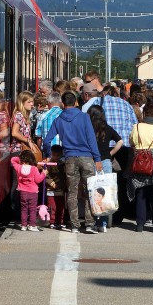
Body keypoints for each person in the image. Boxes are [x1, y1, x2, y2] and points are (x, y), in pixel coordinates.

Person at [41, 91, 102, 234]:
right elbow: (91, 139)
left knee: (72, 192)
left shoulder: (59, 119)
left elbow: (46, 140)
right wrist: (97, 158)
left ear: (63, 103)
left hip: (69, 158)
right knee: (89, 191)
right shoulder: (84, 117)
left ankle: (74, 225)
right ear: (75, 102)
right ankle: (89, 223)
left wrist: (49, 154)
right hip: (87, 157)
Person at [128, 102, 153, 233]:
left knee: (140, 192)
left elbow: (131, 143)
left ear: (144, 113)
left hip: (139, 161)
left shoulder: (137, 127)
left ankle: (140, 224)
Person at [86, 104, 123, 233]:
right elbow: (120, 141)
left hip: (91, 160)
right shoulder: (106, 128)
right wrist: (111, 153)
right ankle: (104, 222)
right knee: (104, 191)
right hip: (106, 161)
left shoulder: (88, 128)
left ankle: (94, 221)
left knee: (93, 191)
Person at [10, 154, 47, 231]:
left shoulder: (19, 168)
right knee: (32, 209)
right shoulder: (34, 169)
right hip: (33, 193)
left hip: (23, 192)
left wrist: (20, 159)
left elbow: (13, 159)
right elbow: (38, 180)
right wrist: (44, 173)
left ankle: (23, 225)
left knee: (24, 209)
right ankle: (32, 225)